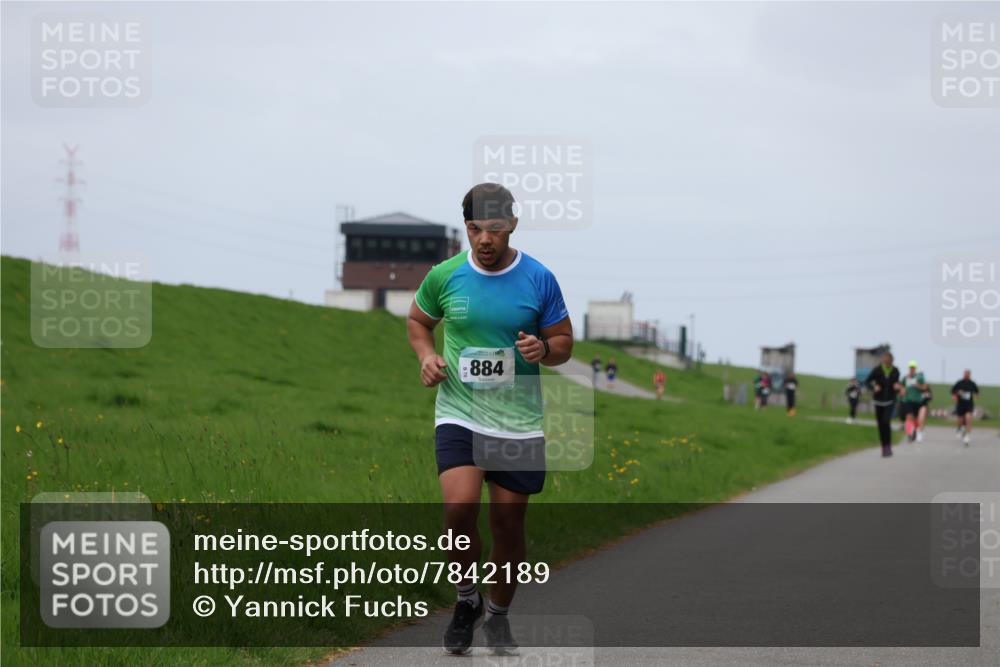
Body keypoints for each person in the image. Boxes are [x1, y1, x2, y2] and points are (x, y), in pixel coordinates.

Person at [407, 182, 572, 655]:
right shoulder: (445, 275)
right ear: (467, 228)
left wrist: (543, 349)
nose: (485, 238)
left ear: (512, 225)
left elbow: (564, 343)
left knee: (507, 525)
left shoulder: (539, 278)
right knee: (458, 511)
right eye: (476, 228)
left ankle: (497, 616)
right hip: (460, 411)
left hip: (518, 421)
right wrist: (426, 355)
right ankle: (465, 601)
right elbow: (418, 321)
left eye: (495, 229)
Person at [865, 351, 902, 457]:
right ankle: (884, 447)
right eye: (884, 360)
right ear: (882, 360)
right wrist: (873, 388)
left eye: (888, 361)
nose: (886, 362)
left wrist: (897, 387)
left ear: (891, 361)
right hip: (878, 401)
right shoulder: (877, 370)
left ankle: (888, 447)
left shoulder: (895, 371)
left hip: (890, 401)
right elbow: (867, 382)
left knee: (886, 422)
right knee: (881, 425)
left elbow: (897, 384)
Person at [900, 361, 929, 443]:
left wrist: (917, 385)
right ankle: (909, 434)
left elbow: (925, 387)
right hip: (908, 400)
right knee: (909, 416)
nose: (912, 369)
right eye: (910, 367)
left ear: (915, 368)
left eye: (913, 368)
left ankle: (918, 431)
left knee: (918, 419)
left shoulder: (919, 377)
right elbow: (902, 387)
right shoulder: (905, 378)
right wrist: (902, 391)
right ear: (909, 368)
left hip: (918, 401)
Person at [951, 369, 980, 446]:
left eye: (968, 374)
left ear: (970, 375)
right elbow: (953, 390)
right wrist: (956, 394)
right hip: (960, 404)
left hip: (969, 404)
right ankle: (959, 429)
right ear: (963, 374)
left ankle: (967, 436)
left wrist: (977, 395)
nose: (966, 375)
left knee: (968, 418)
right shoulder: (959, 383)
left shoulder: (972, 383)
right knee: (960, 419)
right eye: (965, 374)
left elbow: (977, 392)